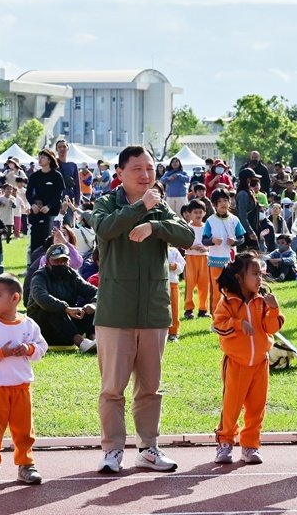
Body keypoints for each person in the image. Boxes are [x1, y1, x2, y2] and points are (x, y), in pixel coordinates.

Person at [91, 145, 196, 475]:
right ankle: (112, 451)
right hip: (115, 312)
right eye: (137, 168)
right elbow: (105, 229)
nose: (145, 174)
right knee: (112, 389)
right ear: (119, 173)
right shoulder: (106, 203)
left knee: (150, 388)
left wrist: (155, 225)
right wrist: (139, 209)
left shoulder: (160, 206)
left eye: (150, 168)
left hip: (153, 311)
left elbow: (189, 234)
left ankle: (148, 449)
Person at [0, 273, 47, 486]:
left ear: (15, 298)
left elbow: (41, 348)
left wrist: (29, 348)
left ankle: (26, 464)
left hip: (22, 388)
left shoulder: (29, 324)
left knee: (24, 430)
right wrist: (1, 352)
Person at [212, 252, 283, 464]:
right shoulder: (227, 301)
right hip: (236, 363)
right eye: (255, 274)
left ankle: (250, 446)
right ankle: (225, 442)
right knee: (232, 405)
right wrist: (237, 324)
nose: (260, 279)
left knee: (256, 408)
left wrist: (274, 308)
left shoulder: (262, 301)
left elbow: (272, 328)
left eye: (261, 274)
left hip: (260, 363)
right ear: (239, 277)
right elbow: (218, 325)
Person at [27, 243, 97, 353]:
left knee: (89, 304)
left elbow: (96, 292)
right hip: (43, 327)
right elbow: (41, 297)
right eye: (56, 261)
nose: (61, 264)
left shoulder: (72, 275)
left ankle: (93, 340)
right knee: (52, 307)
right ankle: (81, 343)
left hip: (66, 326)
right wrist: (66, 309)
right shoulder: (40, 276)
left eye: (64, 261)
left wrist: (93, 304)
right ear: (47, 262)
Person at [203, 189, 245, 316]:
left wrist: (235, 242)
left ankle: (232, 315)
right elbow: (204, 240)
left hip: (231, 262)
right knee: (216, 291)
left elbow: (241, 238)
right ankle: (215, 319)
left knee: (232, 290)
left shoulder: (235, 219)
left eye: (225, 200)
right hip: (215, 261)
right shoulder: (210, 220)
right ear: (214, 204)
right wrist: (212, 240)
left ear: (230, 201)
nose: (223, 204)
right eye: (219, 201)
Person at [26, 149, 65, 256]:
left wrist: (49, 206)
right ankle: (31, 263)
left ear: (49, 160)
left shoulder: (56, 176)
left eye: (43, 157)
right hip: (37, 212)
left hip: (52, 212)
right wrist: (32, 204)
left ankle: (52, 260)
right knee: (34, 239)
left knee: (51, 238)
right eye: (39, 157)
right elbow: (28, 192)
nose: (40, 159)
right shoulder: (34, 176)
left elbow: (59, 194)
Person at [180, 201, 210, 320]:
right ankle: (188, 309)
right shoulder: (187, 227)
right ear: (189, 214)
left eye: (200, 212)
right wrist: (191, 246)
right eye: (195, 212)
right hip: (190, 257)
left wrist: (206, 247)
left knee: (204, 284)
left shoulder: (207, 227)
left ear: (204, 213)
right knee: (190, 284)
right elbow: (181, 242)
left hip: (204, 258)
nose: (198, 215)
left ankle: (203, 309)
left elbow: (211, 242)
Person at [167, 244, 183, 342]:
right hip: (157, 284)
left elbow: (181, 265)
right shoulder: (152, 251)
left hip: (172, 282)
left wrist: (174, 266)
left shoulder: (173, 251)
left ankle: (173, 332)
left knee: (174, 307)